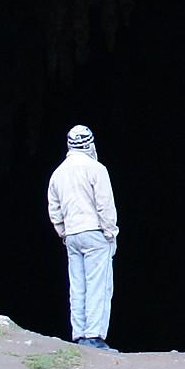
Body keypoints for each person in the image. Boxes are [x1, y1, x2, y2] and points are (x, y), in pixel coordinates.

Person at [46, 124, 119, 350]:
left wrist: (63, 232)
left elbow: (54, 208)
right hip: (95, 233)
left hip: (73, 235)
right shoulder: (96, 169)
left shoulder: (58, 173)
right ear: (89, 143)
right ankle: (94, 336)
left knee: (77, 285)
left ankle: (78, 335)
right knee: (98, 284)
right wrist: (111, 233)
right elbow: (105, 205)